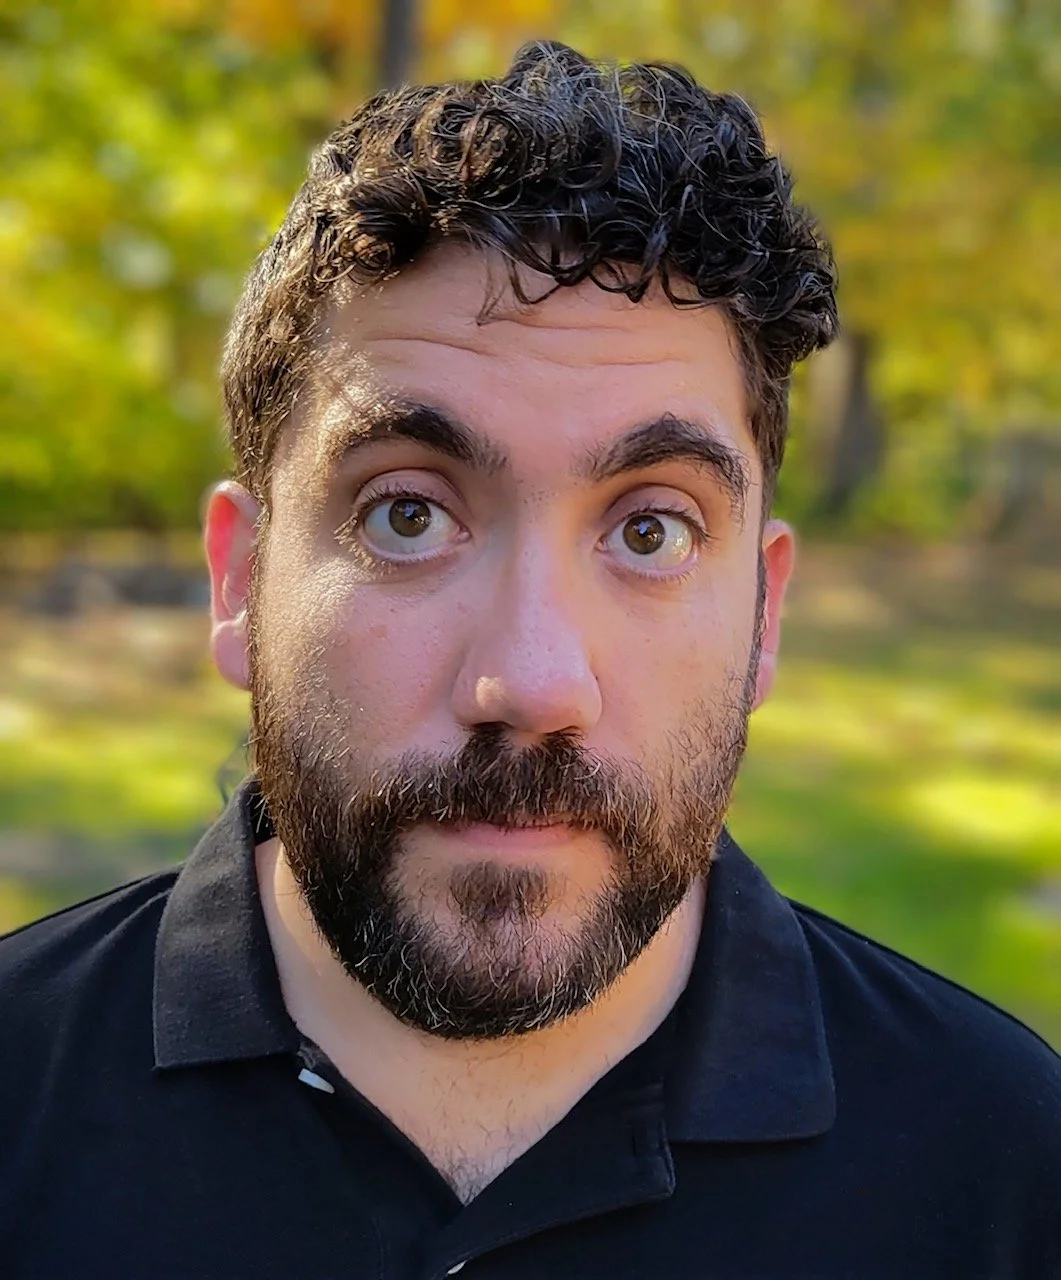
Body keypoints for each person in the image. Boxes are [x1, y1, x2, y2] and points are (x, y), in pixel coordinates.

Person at [1, 40, 1058, 1279]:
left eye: (650, 529)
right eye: (407, 514)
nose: (532, 682)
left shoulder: (1005, 1179)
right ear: (240, 579)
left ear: (763, 614)